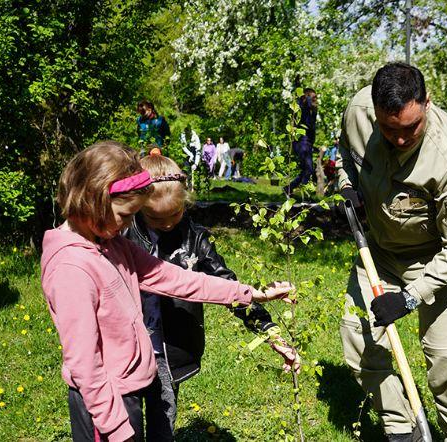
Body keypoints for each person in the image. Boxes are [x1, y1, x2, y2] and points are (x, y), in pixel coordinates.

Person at [41, 140, 295, 441]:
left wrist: (249, 293)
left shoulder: (112, 245)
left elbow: (176, 279)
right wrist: (117, 428)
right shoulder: (72, 268)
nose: (128, 223)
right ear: (93, 199)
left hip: (128, 391)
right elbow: (84, 363)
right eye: (125, 215)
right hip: (106, 408)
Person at [336, 63, 447, 441]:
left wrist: (409, 298)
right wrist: (346, 183)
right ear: (374, 111)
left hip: (437, 260)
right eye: (389, 130)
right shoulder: (358, 114)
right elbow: (345, 153)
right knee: (360, 339)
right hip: (381, 254)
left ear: (427, 104)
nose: (401, 139)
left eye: (411, 128)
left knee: (445, 361)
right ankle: (402, 429)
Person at [124, 151, 299, 439]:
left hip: (169, 350)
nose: (168, 224)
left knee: (163, 418)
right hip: (128, 347)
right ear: (137, 207)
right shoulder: (123, 235)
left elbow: (226, 284)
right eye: (156, 217)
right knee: (126, 425)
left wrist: (269, 331)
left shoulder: (195, 238)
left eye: (175, 214)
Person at [285, 88, 317, 196]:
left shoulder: (312, 110)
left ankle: (289, 188)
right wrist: (306, 97)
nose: (315, 100)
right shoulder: (303, 107)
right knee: (309, 169)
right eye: (313, 97)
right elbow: (300, 101)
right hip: (301, 142)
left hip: (308, 143)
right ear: (307, 97)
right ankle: (304, 195)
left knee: (306, 170)